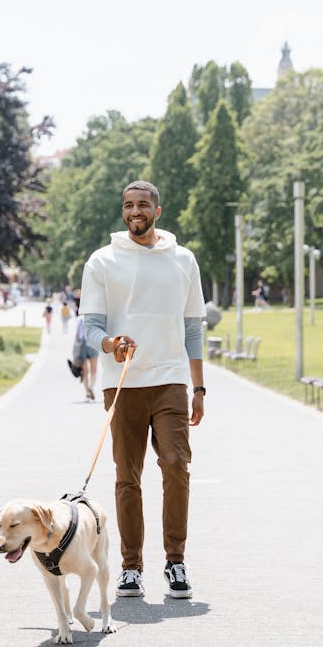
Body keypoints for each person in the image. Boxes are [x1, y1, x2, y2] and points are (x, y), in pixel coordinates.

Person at [80, 180, 206, 600]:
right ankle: (131, 568)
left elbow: (192, 328)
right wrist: (110, 344)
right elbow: (90, 325)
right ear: (123, 212)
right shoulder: (102, 261)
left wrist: (200, 387)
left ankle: (176, 562)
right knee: (126, 478)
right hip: (124, 384)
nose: (136, 211)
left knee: (176, 466)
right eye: (129, 205)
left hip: (170, 380)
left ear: (157, 210)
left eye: (143, 205)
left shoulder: (183, 260)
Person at [72, 316, 99, 401]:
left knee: (85, 372)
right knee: (94, 370)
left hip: (82, 346)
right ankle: (91, 386)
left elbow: (76, 334)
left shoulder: (80, 319)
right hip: (93, 344)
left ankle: (87, 393)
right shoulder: (94, 317)